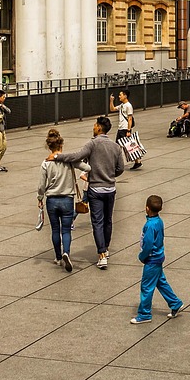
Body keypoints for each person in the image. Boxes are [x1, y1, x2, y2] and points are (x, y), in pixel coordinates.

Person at [47, 115, 125, 269]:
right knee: (108, 220)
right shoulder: (116, 147)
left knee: (97, 222)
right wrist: (109, 175)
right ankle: (105, 248)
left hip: (95, 189)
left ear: (99, 128)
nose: (93, 127)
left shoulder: (93, 144)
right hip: (110, 188)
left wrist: (57, 156)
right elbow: (120, 168)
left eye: (95, 125)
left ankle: (101, 254)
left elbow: (77, 156)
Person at [38, 128, 88, 272]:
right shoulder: (69, 161)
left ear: (49, 147)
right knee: (66, 230)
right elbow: (87, 167)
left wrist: (40, 198)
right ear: (61, 145)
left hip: (52, 200)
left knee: (55, 229)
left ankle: (58, 257)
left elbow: (41, 185)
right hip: (67, 199)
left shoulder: (46, 163)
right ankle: (66, 252)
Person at [131, 194, 184, 323]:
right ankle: (175, 303)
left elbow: (148, 244)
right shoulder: (159, 221)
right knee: (160, 282)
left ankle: (144, 314)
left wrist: (142, 256)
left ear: (147, 208)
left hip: (151, 259)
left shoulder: (149, 225)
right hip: (158, 257)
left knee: (146, 287)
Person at [110, 88, 141, 169]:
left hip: (125, 129)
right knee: (120, 146)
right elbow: (112, 109)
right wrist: (111, 101)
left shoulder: (128, 106)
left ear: (125, 96)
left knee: (127, 146)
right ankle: (137, 162)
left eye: (120, 95)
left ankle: (136, 161)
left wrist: (128, 130)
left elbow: (130, 118)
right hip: (120, 128)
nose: (119, 96)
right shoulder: (122, 105)